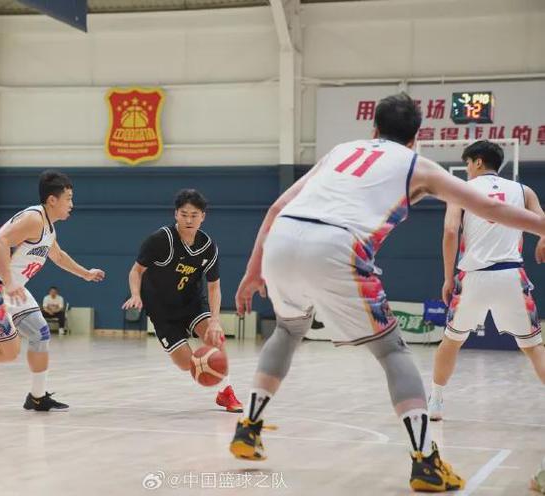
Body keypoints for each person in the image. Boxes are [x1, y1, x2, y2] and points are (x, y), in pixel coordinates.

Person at [229, 93, 545, 492]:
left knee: (288, 330)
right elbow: (491, 210)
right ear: (415, 138)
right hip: (338, 246)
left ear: (374, 128)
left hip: (281, 240)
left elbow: (276, 207)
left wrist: (252, 270)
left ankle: (248, 427)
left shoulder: (341, 150)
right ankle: (426, 462)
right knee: (392, 350)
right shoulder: (418, 165)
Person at [0, 171, 105, 411]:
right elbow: (0, 243)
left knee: (40, 334)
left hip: (11, 289)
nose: (72, 204)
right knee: (9, 352)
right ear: (52, 200)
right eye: (68, 198)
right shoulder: (34, 219)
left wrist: (85, 273)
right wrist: (9, 281)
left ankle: (37, 397)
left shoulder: (48, 227)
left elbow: (58, 255)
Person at [428, 141, 544, 421]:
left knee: (451, 341)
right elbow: (542, 222)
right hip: (511, 275)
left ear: (478, 161)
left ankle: (436, 401)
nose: (467, 169)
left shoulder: (460, 190)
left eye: (467, 163)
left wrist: (448, 278)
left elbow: (450, 231)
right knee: (533, 347)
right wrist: (542, 239)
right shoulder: (523, 191)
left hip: (473, 277)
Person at [122, 189, 243, 412]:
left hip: (192, 303)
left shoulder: (208, 246)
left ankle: (226, 392)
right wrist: (135, 294)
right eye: (184, 214)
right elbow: (136, 271)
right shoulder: (160, 240)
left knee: (215, 338)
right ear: (175, 214)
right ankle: (207, 374)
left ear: (203, 216)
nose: (189, 220)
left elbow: (214, 286)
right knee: (187, 364)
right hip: (162, 310)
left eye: (194, 215)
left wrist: (215, 320)